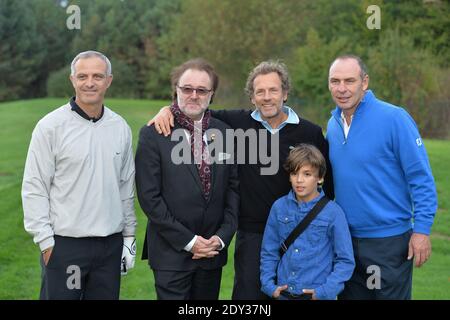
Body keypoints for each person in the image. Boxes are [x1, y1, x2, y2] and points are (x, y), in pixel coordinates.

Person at [148, 60, 334, 299]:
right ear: (252, 97)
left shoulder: (310, 132)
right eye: (260, 92)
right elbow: (194, 108)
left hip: (299, 231)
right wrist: (167, 109)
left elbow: (327, 186)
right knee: (249, 298)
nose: (267, 97)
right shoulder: (235, 124)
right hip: (252, 234)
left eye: (273, 90)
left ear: (285, 93)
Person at [22, 50, 137, 300]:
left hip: (110, 245)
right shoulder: (50, 127)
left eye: (98, 76)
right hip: (65, 247)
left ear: (109, 80)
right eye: (82, 76)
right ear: (72, 80)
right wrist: (46, 242)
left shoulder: (120, 127)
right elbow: (35, 187)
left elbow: (125, 186)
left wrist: (129, 236)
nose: (90, 82)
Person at [326, 54, 438, 300]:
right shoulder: (333, 125)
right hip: (345, 242)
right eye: (335, 81)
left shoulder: (394, 119)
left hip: (388, 243)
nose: (342, 88)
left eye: (349, 81)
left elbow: (421, 178)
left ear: (364, 82)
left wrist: (421, 230)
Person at [135, 58, 239, 300]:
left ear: (211, 94)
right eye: (187, 88)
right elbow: (149, 198)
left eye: (202, 90)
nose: (194, 95)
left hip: (212, 253)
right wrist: (190, 242)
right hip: (171, 254)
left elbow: (233, 190)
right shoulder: (154, 134)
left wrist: (222, 238)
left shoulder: (225, 133)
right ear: (176, 90)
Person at [260, 144, 354, 300]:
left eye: (307, 174)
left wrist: (324, 291)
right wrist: (269, 286)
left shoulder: (333, 213)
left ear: (320, 178)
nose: (299, 180)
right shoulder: (279, 207)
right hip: (283, 294)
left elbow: (345, 260)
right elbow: (269, 252)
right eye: (294, 173)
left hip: (317, 295)